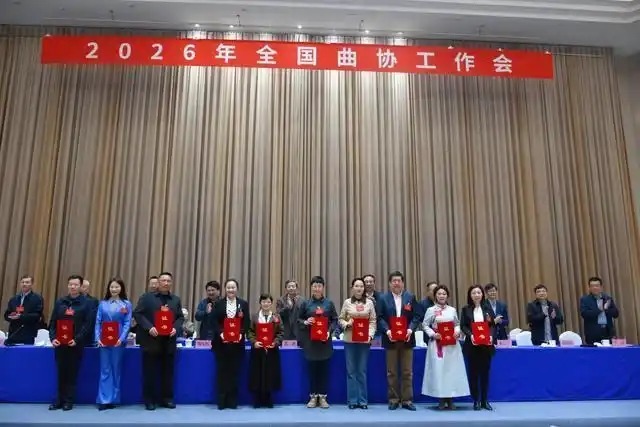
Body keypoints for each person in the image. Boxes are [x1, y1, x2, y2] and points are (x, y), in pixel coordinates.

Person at [133, 272, 184, 410]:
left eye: (168, 281)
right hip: (151, 340)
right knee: (150, 372)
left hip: (169, 341)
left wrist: (175, 328)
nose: (166, 283)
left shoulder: (175, 300)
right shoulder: (147, 298)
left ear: (171, 283)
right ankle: (149, 400)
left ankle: (167, 399)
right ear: (158, 282)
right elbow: (137, 313)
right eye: (163, 280)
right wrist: (149, 327)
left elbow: (180, 317)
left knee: (168, 372)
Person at [376, 271, 420, 411]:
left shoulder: (410, 297)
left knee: (407, 372)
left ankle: (407, 400)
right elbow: (379, 317)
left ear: (403, 283)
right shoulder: (383, 298)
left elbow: (416, 316)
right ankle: (394, 399)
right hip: (390, 339)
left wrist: (410, 330)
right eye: (394, 281)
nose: (396, 283)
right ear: (390, 283)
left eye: (399, 280)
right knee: (392, 372)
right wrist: (387, 331)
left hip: (407, 339)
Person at [48, 274, 92, 411]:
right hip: (60, 344)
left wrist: (77, 339)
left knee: (72, 373)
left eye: (76, 285)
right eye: (70, 284)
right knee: (60, 373)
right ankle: (58, 400)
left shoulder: (86, 303)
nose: (73, 287)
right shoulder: (60, 302)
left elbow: (87, 325)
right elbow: (52, 322)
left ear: (81, 286)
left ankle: (68, 401)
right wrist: (53, 338)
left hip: (75, 344)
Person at [421, 285, 469, 410]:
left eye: (444, 294)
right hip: (437, 345)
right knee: (439, 371)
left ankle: (451, 398)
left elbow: (457, 324)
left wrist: (457, 332)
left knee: (451, 371)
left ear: (447, 296)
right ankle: (441, 399)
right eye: (439, 294)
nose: (442, 296)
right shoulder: (431, 310)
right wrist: (433, 334)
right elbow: (425, 325)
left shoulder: (452, 310)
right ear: (435, 296)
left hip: (452, 345)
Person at [297, 276, 338, 409]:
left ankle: (323, 397)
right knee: (312, 371)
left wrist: (329, 332)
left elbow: (335, 320)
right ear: (311, 287)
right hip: (310, 343)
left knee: (324, 371)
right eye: (314, 286)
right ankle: (313, 397)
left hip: (325, 342)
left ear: (323, 288)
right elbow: (298, 319)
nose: (317, 288)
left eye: (319, 286)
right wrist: (305, 321)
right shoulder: (306, 304)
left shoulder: (329, 303)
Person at [338, 277, 377, 409]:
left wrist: (370, 335)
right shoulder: (347, 302)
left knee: (361, 370)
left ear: (364, 288)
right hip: (350, 340)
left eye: (361, 286)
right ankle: (352, 401)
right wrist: (346, 324)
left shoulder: (369, 303)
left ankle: (363, 401)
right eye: (356, 286)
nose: (359, 288)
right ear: (352, 288)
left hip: (364, 341)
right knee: (351, 371)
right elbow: (340, 319)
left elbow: (373, 321)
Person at [212, 279, 250, 410]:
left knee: (234, 372)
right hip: (221, 343)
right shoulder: (218, 304)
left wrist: (241, 334)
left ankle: (232, 401)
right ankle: (222, 401)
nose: (230, 290)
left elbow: (246, 322)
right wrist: (221, 333)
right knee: (222, 372)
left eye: (233, 287)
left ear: (237, 289)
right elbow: (214, 321)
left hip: (237, 343)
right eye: (228, 287)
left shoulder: (243, 304)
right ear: (225, 289)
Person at [95, 277, 132, 410]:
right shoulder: (102, 304)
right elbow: (98, 321)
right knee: (105, 369)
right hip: (104, 340)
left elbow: (127, 323)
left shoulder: (126, 304)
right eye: (112, 287)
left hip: (118, 340)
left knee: (116, 369)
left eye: (117, 287)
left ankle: (114, 399)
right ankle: (104, 399)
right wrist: (98, 338)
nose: (114, 289)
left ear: (121, 288)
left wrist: (121, 338)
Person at [460, 285, 496, 411]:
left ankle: (485, 400)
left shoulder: (488, 308)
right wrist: (471, 335)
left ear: (482, 294)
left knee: (485, 374)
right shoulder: (466, 309)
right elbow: (463, 326)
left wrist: (491, 336)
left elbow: (492, 325)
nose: (476, 295)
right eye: (473, 293)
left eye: (478, 292)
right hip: (472, 345)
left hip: (486, 346)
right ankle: (476, 400)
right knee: (473, 374)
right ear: (470, 295)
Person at [247, 293, 284, 408]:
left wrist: (275, 342)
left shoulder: (276, 317)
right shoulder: (255, 317)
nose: (266, 304)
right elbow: (250, 332)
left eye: (268, 302)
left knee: (270, 375)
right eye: (263, 302)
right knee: (257, 375)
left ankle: (268, 399)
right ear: (260, 303)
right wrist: (254, 342)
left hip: (271, 350)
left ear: (271, 303)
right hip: (258, 350)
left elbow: (281, 332)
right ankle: (257, 400)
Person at [3, 275, 44, 345]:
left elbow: (37, 316)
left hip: (28, 334)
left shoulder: (37, 298)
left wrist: (21, 316)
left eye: (27, 282)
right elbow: (6, 314)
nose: (24, 284)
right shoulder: (14, 299)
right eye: (23, 282)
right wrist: (10, 317)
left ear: (32, 284)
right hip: (13, 333)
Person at [579, 276, 619, 345]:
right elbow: (584, 314)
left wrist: (606, 309)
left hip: (608, 332)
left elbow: (616, 314)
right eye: (592, 286)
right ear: (589, 288)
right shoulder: (585, 300)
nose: (595, 288)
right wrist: (600, 309)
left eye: (597, 286)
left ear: (601, 287)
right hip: (593, 334)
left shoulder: (607, 298)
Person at [80, 279, 99, 346]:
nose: (82, 288)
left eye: (85, 287)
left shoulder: (94, 301)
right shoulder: (74, 299)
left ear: (88, 289)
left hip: (90, 331)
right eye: (82, 286)